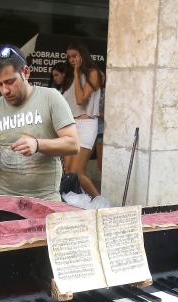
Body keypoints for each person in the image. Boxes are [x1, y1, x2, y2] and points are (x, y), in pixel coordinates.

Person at [0, 44, 79, 201]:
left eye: (10, 81)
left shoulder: (51, 97)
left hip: (46, 200)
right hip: (7, 201)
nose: (5, 90)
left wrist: (37, 144)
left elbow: (73, 144)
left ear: (25, 72)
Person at [62, 40, 103, 198]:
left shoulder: (93, 73)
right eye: (69, 57)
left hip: (86, 124)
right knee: (68, 172)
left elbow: (81, 100)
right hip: (71, 124)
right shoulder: (71, 76)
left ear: (82, 55)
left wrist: (77, 73)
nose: (72, 60)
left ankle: (101, 202)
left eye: (74, 56)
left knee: (78, 171)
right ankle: (75, 203)